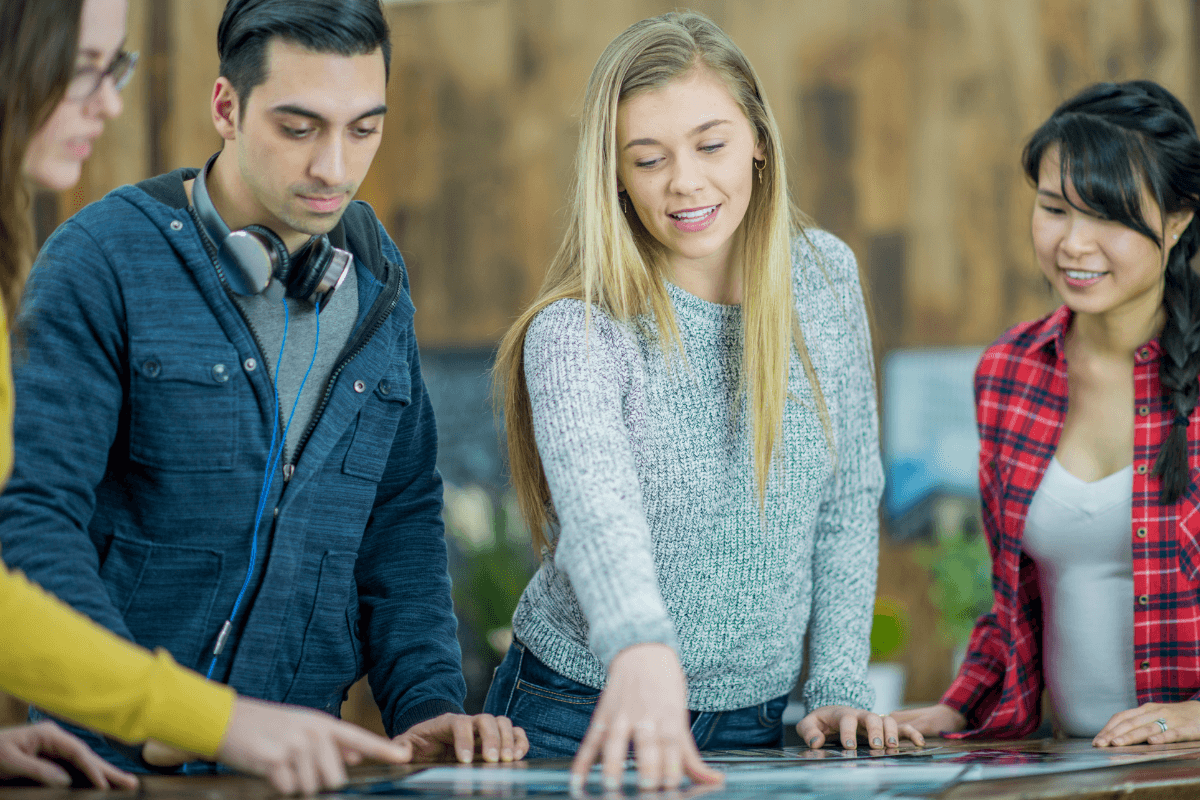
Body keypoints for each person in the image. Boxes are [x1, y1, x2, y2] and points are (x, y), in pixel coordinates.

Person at [0, 0, 526, 781]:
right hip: (109, 764)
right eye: (299, 127)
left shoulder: (377, 281)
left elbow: (401, 514)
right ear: (226, 108)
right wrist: (144, 720)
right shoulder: (100, 264)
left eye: (364, 128)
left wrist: (426, 706)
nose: (334, 168)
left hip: (292, 767)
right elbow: (32, 523)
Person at [487, 10, 915, 792]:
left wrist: (840, 689)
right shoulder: (577, 332)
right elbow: (597, 515)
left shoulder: (822, 280)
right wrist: (640, 647)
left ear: (758, 140)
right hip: (577, 705)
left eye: (710, 145)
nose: (685, 181)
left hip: (756, 720)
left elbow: (848, 500)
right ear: (613, 174)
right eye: (648, 159)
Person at [891, 80, 1200, 746]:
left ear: (1179, 221)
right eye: (1055, 208)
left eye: (1110, 217)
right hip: (1068, 766)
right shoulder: (1008, 372)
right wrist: (954, 708)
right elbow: (1012, 606)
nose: (1074, 244)